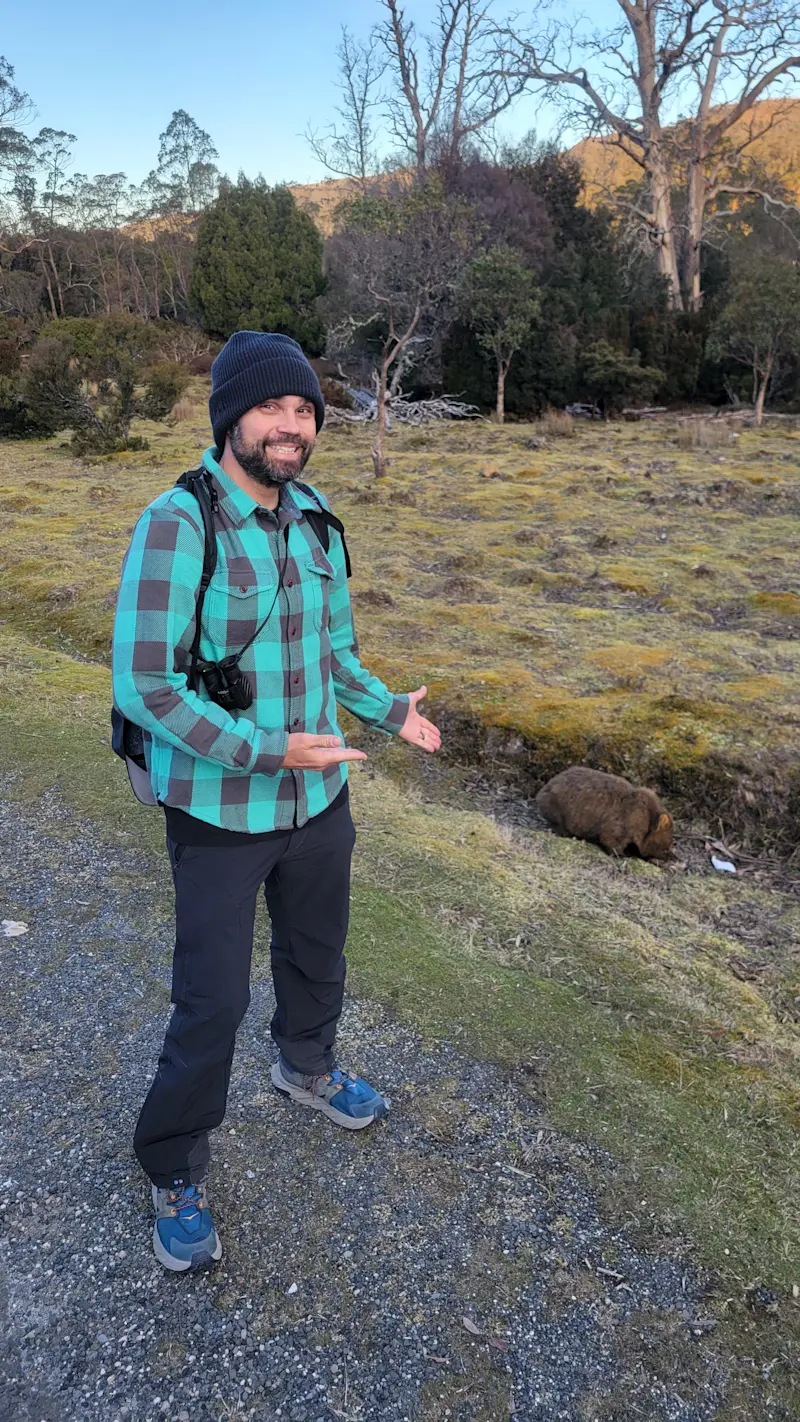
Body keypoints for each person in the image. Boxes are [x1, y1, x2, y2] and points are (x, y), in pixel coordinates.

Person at [112, 331, 441, 1271]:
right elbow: (146, 686)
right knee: (211, 998)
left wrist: (386, 711)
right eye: (272, 410)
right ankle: (172, 1164)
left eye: (304, 412)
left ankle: (305, 1067)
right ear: (231, 418)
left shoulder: (317, 514)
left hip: (319, 797)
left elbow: (333, 651)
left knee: (317, 951)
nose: (291, 428)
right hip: (220, 808)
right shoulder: (177, 524)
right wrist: (267, 750)